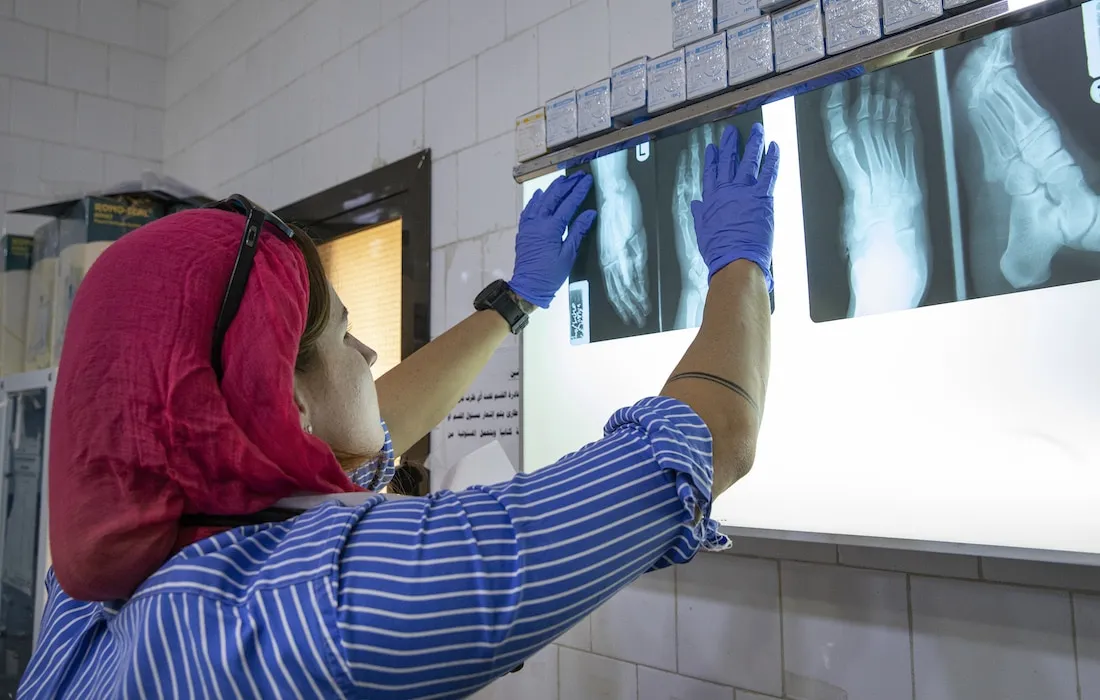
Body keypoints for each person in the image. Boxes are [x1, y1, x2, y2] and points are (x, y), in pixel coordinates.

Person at [19, 122, 778, 699]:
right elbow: (705, 446)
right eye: (348, 336)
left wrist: (513, 304)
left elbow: (359, 425)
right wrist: (738, 261)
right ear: (284, 399)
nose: (371, 357)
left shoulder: (92, 591)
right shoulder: (319, 610)